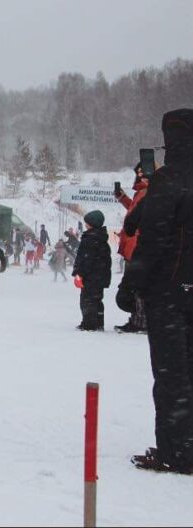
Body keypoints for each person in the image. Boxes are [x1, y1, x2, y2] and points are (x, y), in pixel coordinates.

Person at [118, 108, 193, 474]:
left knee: (172, 376)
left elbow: (155, 240)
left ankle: (176, 452)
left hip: (171, 292)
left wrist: (130, 285)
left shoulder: (171, 179)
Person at [114, 163, 151, 333]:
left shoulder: (149, 192)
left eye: (144, 173)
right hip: (133, 246)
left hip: (137, 247)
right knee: (134, 288)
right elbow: (133, 211)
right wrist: (122, 198)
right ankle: (138, 319)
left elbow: (138, 216)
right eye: (139, 173)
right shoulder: (141, 193)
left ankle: (141, 320)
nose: (141, 175)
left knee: (137, 288)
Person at [71, 210, 111, 331]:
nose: (85, 225)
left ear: (92, 224)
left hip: (90, 277)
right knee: (97, 300)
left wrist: (80, 273)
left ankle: (89, 324)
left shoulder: (90, 239)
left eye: (87, 223)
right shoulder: (101, 238)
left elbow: (86, 259)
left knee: (87, 300)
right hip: (99, 277)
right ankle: (99, 322)